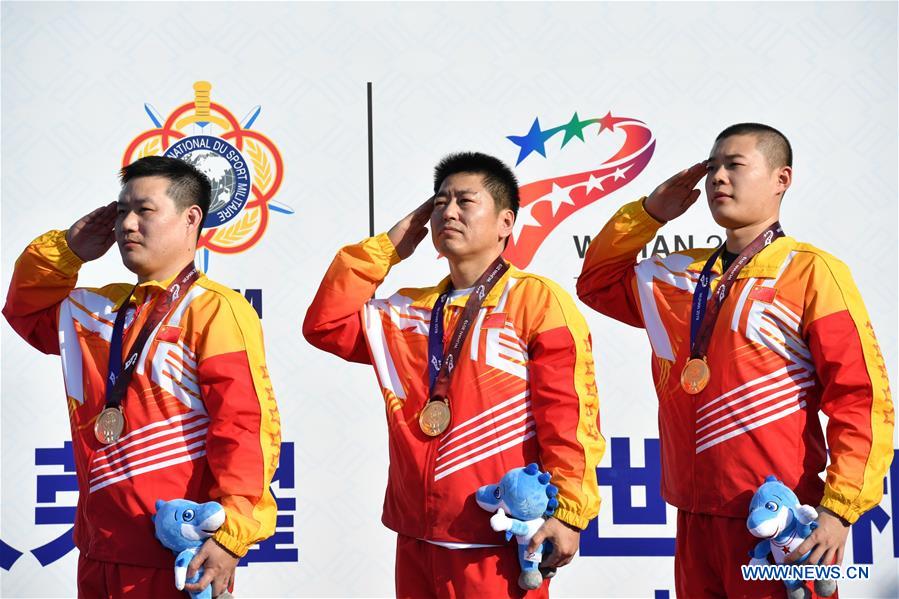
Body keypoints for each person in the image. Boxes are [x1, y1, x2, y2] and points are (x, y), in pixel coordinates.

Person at [576, 123, 894, 597]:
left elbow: (859, 398)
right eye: (712, 168)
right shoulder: (677, 276)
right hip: (694, 517)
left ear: (782, 179)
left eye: (735, 165)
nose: (718, 178)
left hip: (781, 519)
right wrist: (648, 214)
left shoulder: (811, 272)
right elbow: (596, 283)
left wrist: (839, 509)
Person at [303, 152, 605, 598]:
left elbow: (569, 414)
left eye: (466, 201)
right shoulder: (408, 311)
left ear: (505, 222)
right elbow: (325, 324)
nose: (449, 212)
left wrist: (569, 512)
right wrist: (389, 247)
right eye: (440, 202)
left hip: (498, 536)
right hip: (417, 537)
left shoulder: (535, 301)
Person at [3, 156, 281, 598]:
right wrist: (68, 250)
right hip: (98, 550)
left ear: (191, 218)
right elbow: (26, 310)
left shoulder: (215, 310)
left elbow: (243, 427)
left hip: (177, 554)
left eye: (144, 210)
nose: (127, 225)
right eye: (120, 212)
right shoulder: (96, 311)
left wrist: (232, 532)